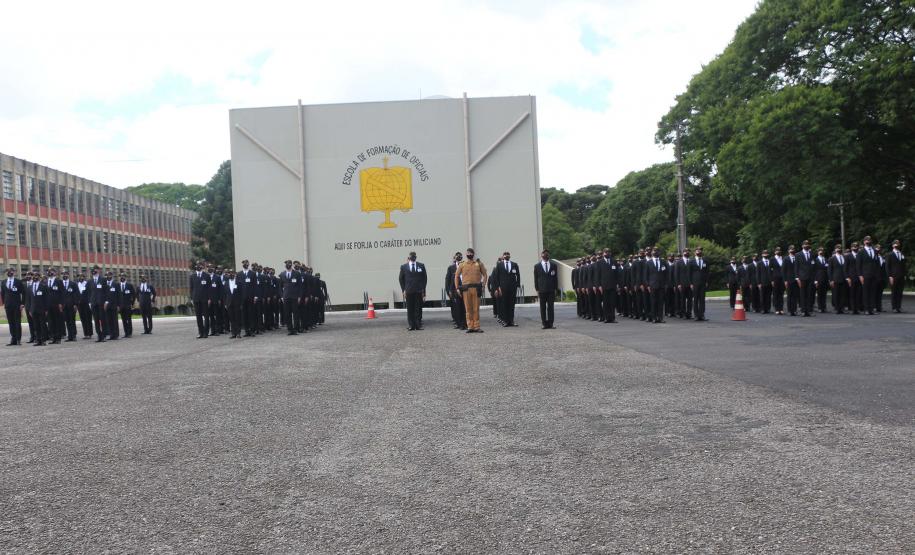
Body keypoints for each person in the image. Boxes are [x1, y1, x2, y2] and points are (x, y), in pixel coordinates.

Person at [456, 247, 487, 333]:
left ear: (473, 254)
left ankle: (476, 326)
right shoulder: (462, 264)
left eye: (471, 253)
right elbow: (457, 276)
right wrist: (457, 288)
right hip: (466, 289)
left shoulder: (479, 264)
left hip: (476, 288)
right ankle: (470, 326)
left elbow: (485, 274)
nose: (469, 254)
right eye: (468, 253)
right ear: (466, 254)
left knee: (476, 308)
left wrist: (483, 285)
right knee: (468, 309)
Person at [398, 251, 427, 331]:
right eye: (411, 256)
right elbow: (401, 279)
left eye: (414, 256)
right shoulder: (404, 267)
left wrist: (423, 289)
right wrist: (403, 289)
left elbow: (424, 278)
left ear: (416, 257)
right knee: (410, 309)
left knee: (418, 308)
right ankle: (411, 325)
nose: (413, 257)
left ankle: (418, 325)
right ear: (409, 257)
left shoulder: (421, 266)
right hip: (409, 291)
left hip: (418, 291)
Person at [492, 251, 520, 327]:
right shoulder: (499, 265)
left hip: (512, 288)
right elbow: (496, 277)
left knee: (511, 305)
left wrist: (517, 285)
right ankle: (505, 321)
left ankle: (511, 320)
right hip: (503, 288)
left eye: (508, 254)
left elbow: (518, 275)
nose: (506, 256)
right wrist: (498, 288)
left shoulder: (514, 264)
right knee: (504, 304)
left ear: (510, 256)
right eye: (505, 254)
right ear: (503, 256)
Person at [534, 249, 558, 329]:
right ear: (541, 255)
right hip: (542, 290)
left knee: (551, 307)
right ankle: (544, 323)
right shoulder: (537, 266)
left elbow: (555, 278)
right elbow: (536, 278)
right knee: (542, 307)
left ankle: (551, 323)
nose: (545, 255)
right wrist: (537, 289)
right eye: (544, 254)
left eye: (547, 254)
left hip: (551, 290)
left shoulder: (554, 265)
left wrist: (555, 288)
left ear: (549, 256)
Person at [2, 267, 24, 346]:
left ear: (14, 272)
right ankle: (13, 339)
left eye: (11, 271)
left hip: (17, 305)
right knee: (11, 323)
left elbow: (23, 293)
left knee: (17, 322)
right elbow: (3, 294)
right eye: (8, 271)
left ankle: (18, 339)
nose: (10, 272)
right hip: (8, 305)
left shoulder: (18, 282)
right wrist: (4, 303)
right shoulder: (3, 282)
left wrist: (22, 303)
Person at [280, 260, 303, 335]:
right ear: (285, 265)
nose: (288, 265)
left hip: (294, 296)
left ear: (291, 265)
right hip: (286, 297)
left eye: (289, 263)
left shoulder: (297, 273)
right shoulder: (282, 274)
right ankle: (290, 329)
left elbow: (300, 286)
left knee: (295, 313)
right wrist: (281, 296)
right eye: (287, 263)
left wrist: (299, 296)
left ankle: (296, 329)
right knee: (287, 314)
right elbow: (279, 287)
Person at [645, 248, 668, 323]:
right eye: (654, 251)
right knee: (653, 302)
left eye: (657, 251)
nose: (655, 252)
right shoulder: (648, 262)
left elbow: (666, 273)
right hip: (652, 285)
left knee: (661, 302)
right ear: (652, 253)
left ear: (659, 252)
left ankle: (660, 318)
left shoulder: (663, 262)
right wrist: (648, 285)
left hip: (661, 285)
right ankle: (654, 317)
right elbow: (646, 275)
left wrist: (666, 283)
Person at [445, 252, 466, 330]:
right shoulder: (451, 268)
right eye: (457, 256)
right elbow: (448, 280)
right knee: (457, 308)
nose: (459, 257)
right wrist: (448, 290)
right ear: (455, 258)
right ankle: (458, 323)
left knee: (464, 307)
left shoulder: (465, 266)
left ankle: (465, 323)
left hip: (464, 289)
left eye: (460, 256)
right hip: (454, 290)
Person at [190, 263, 211, 338]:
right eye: (197, 266)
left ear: (202, 267)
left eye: (200, 266)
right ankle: (200, 332)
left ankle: (206, 332)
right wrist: (191, 298)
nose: (198, 267)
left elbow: (209, 288)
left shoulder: (206, 275)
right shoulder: (192, 276)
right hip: (196, 299)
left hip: (204, 299)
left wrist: (209, 298)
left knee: (206, 316)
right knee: (198, 316)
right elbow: (191, 288)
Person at [597, 248, 618, 323]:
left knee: (612, 302)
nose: (607, 253)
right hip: (604, 286)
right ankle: (606, 318)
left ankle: (612, 318)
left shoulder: (614, 261)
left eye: (608, 252)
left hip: (612, 285)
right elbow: (598, 275)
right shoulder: (599, 262)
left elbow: (616, 274)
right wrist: (599, 285)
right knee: (606, 303)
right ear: (603, 253)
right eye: (606, 252)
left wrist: (617, 284)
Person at [689, 247, 710, 321]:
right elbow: (689, 273)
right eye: (697, 250)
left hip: (703, 282)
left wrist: (707, 281)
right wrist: (691, 283)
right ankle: (696, 315)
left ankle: (702, 314)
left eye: (700, 250)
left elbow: (707, 272)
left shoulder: (705, 260)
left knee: (702, 299)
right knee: (695, 299)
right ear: (695, 252)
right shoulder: (691, 261)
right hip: (695, 283)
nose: (699, 251)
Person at [88, 266, 108, 342]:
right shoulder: (90, 281)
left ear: (98, 271)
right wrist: (89, 302)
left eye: (95, 270)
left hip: (101, 303)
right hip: (93, 303)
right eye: (93, 270)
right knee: (96, 320)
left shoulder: (103, 280)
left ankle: (104, 335)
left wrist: (106, 301)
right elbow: (89, 293)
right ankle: (99, 335)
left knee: (102, 319)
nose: (94, 271)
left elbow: (106, 291)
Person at [828, 244, 849, 314]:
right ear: (835, 250)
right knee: (836, 294)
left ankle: (841, 308)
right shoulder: (832, 259)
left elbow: (846, 268)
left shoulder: (844, 257)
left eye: (840, 248)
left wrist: (847, 278)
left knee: (843, 294)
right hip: (835, 279)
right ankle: (837, 308)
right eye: (837, 248)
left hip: (843, 278)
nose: (839, 249)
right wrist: (831, 280)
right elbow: (830, 270)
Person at [30, 275, 50, 347]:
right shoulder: (31, 286)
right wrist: (30, 309)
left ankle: (43, 340)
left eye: (36, 276)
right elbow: (30, 299)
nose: (35, 277)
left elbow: (47, 299)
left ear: (39, 278)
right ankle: (38, 340)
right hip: (34, 309)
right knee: (36, 325)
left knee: (42, 325)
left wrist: (46, 309)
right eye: (34, 276)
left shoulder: (43, 286)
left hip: (42, 309)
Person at [886, 240, 906, 312]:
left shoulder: (901, 254)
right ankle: (894, 307)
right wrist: (890, 276)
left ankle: (899, 307)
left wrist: (904, 275)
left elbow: (903, 266)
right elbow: (887, 266)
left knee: (900, 292)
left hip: (901, 276)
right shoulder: (889, 254)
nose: (897, 245)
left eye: (898, 244)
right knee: (894, 292)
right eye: (895, 244)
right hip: (893, 276)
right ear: (892, 245)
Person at [797, 240, 815, 317]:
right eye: (805, 245)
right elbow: (796, 267)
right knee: (803, 294)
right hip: (802, 277)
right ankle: (803, 310)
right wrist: (797, 278)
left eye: (807, 244)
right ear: (802, 246)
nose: (806, 246)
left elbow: (813, 265)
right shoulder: (798, 255)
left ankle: (808, 310)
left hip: (810, 277)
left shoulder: (811, 254)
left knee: (809, 294)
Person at [224, 269, 243, 338]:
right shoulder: (226, 283)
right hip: (229, 303)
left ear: (234, 274)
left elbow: (241, 294)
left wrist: (241, 303)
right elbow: (224, 294)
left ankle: (238, 333)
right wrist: (225, 303)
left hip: (237, 303)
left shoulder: (238, 282)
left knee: (237, 318)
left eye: (232, 273)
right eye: (229, 273)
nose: (231, 274)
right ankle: (233, 333)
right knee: (231, 319)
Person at [46, 269, 64, 344]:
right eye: (49, 272)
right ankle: (53, 337)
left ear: (55, 273)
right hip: (48, 305)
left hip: (56, 304)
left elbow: (62, 293)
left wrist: (61, 303)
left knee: (57, 321)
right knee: (51, 322)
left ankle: (58, 338)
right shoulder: (46, 282)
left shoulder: (58, 281)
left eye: (52, 272)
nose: (50, 273)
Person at [115, 273, 135, 338]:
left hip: (128, 305)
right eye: (120, 276)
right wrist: (118, 305)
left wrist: (132, 303)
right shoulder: (117, 285)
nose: (122, 277)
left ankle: (130, 333)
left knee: (128, 319)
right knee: (123, 320)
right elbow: (116, 296)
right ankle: (126, 333)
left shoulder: (129, 285)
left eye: (123, 276)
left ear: (125, 277)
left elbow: (133, 295)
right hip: (121, 306)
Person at [60, 270, 78, 341]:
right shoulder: (60, 284)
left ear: (68, 275)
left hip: (71, 305)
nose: (64, 275)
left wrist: (75, 304)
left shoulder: (73, 284)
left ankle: (73, 335)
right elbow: (59, 295)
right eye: (63, 274)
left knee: (72, 321)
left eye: (66, 274)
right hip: (64, 306)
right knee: (67, 321)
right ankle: (69, 336)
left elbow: (77, 294)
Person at [76, 274, 93, 339]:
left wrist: (90, 302)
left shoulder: (87, 284)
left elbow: (90, 293)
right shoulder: (77, 284)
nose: (80, 278)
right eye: (79, 277)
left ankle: (90, 333)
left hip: (87, 303)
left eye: (82, 276)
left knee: (88, 318)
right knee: (82, 319)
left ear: (84, 277)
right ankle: (86, 334)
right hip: (80, 304)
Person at [784, 246, 799, 316]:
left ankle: (795, 309)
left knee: (795, 295)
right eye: (791, 249)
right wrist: (785, 280)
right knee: (790, 295)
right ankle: (790, 310)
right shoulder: (786, 259)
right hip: (789, 279)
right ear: (788, 251)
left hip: (796, 279)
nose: (792, 250)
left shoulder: (797, 258)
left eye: (793, 249)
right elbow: (783, 270)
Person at [814, 247, 830, 313]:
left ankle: (824, 307)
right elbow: (814, 271)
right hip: (819, 279)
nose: (821, 252)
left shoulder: (826, 259)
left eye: (822, 250)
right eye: (820, 251)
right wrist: (815, 280)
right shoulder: (815, 260)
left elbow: (828, 269)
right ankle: (820, 307)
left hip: (825, 279)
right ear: (818, 252)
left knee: (824, 294)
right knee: (820, 294)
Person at [771, 247, 786, 315]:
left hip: (782, 279)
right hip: (775, 278)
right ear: (775, 252)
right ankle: (777, 308)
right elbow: (770, 270)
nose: (778, 251)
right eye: (777, 251)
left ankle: (781, 308)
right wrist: (772, 280)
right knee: (776, 293)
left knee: (781, 293)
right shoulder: (772, 259)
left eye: (779, 250)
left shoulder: (783, 258)